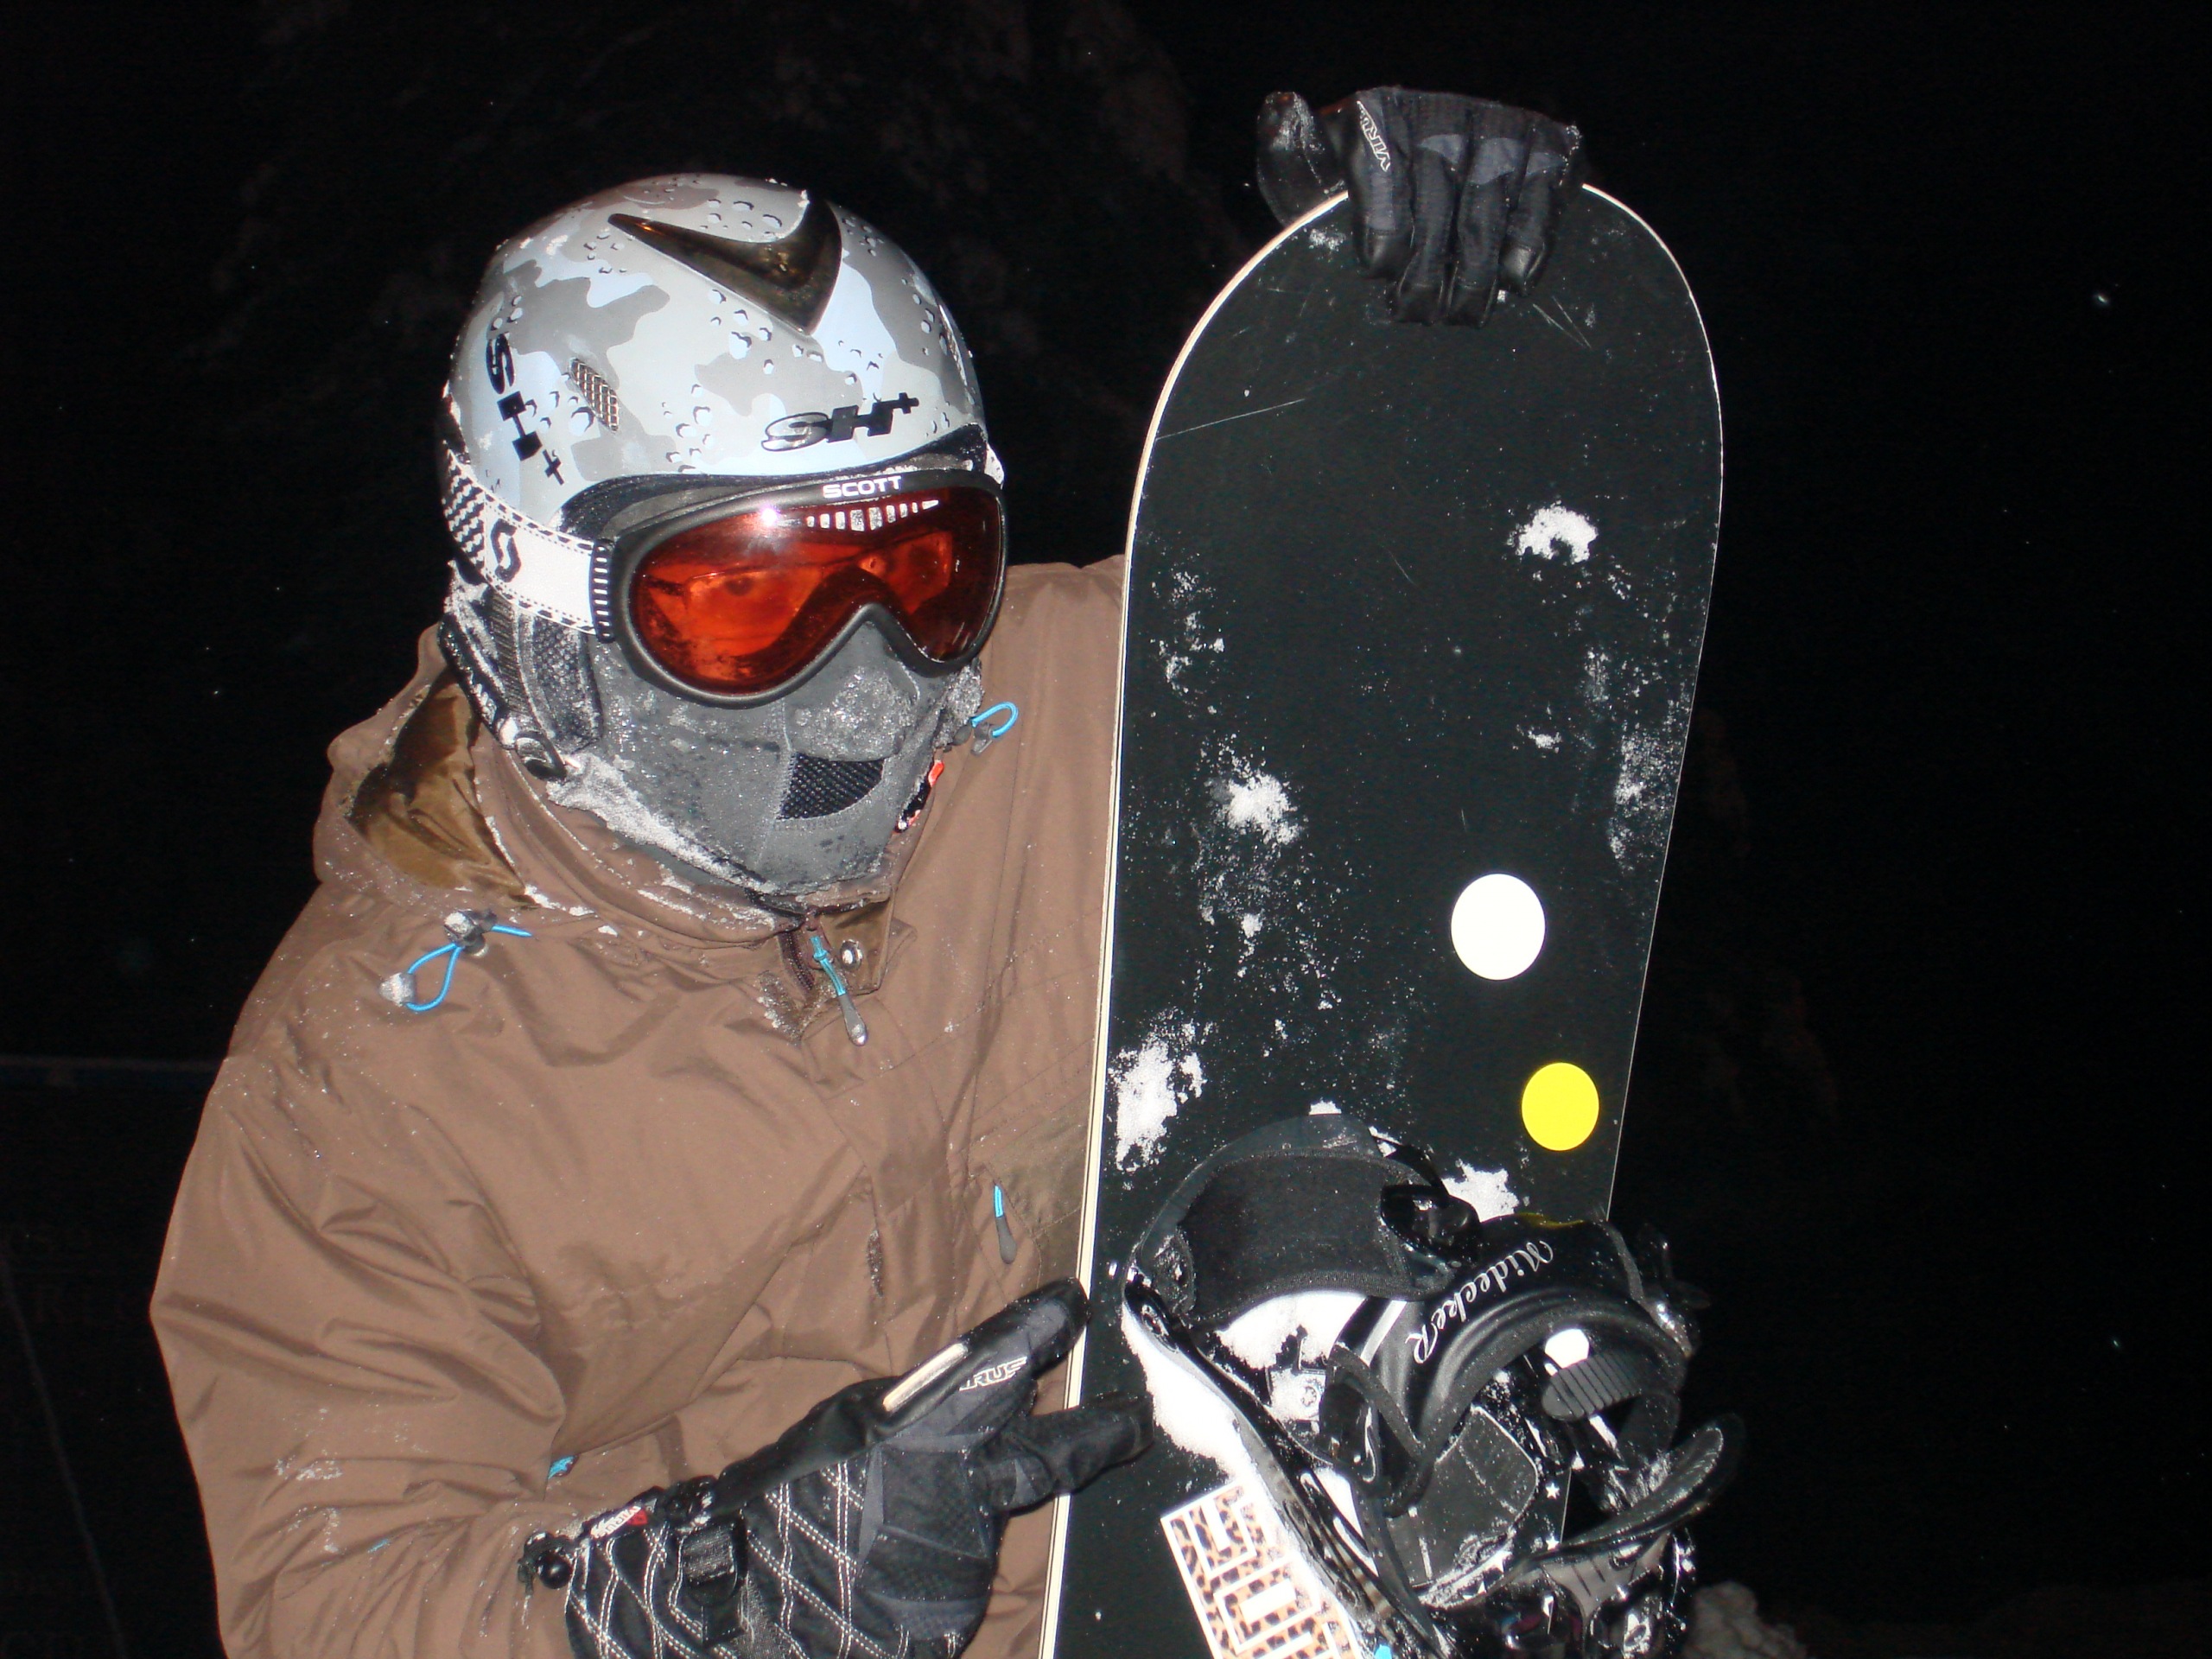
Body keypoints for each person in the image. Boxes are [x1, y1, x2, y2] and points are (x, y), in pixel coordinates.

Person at [152, 90, 1582, 1659]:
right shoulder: (371, 1084)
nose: (867, 692)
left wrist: (1407, 346)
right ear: (541, 612)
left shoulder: (1065, 713)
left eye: (919, 569)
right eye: (743, 605)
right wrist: (711, 1597)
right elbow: (335, 1590)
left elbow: (1405, 642)